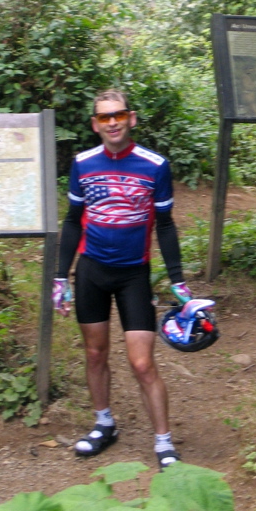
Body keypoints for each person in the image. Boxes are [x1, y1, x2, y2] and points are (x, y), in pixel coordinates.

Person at [52, 89, 192, 467]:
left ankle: (163, 443)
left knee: (142, 363)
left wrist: (177, 281)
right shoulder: (82, 164)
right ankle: (103, 424)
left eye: (118, 115)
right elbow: (71, 220)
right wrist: (59, 277)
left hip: (134, 274)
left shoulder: (155, 165)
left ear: (131, 119)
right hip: (92, 270)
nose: (111, 122)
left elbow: (164, 225)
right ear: (95, 124)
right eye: (103, 117)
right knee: (95, 353)